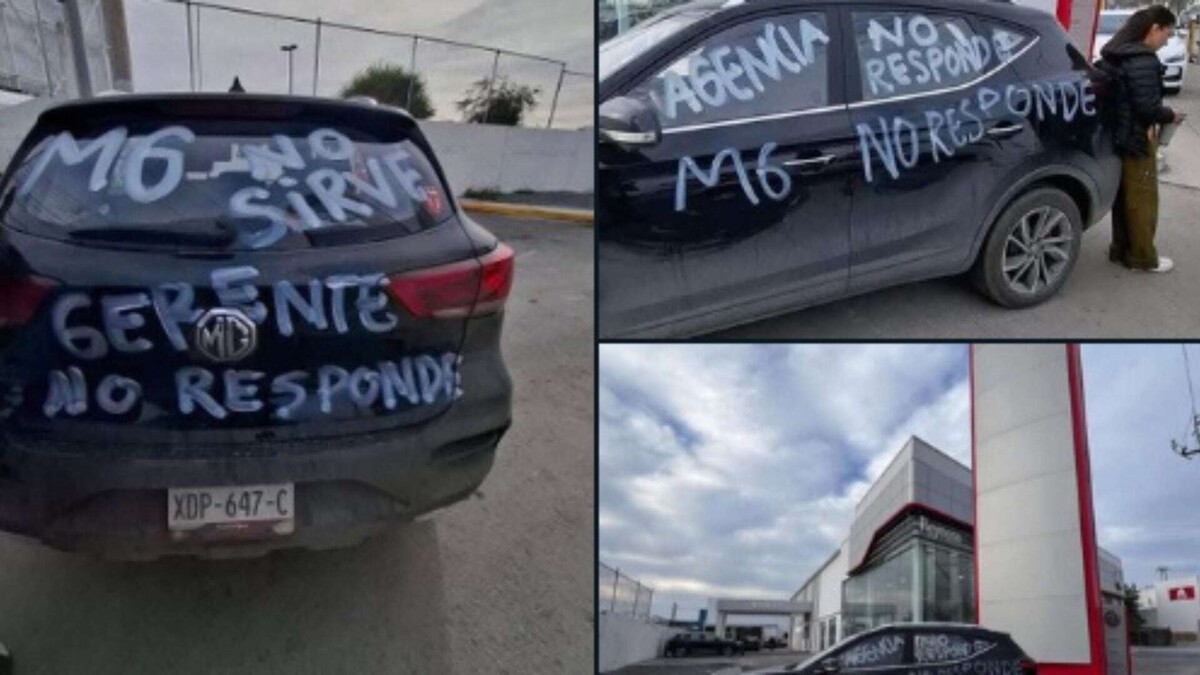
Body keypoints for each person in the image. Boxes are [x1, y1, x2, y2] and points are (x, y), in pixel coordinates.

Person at [1100, 5, 1185, 273]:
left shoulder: (1115, 53)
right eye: (1167, 34)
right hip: (1138, 137)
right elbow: (1147, 109)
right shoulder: (1144, 59)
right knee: (1143, 200)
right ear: (1154, 29)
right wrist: (1170, 114)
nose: (1167, 40)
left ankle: (1120, 250)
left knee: (1124, 198)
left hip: (1119, 136)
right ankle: (1142, 258)